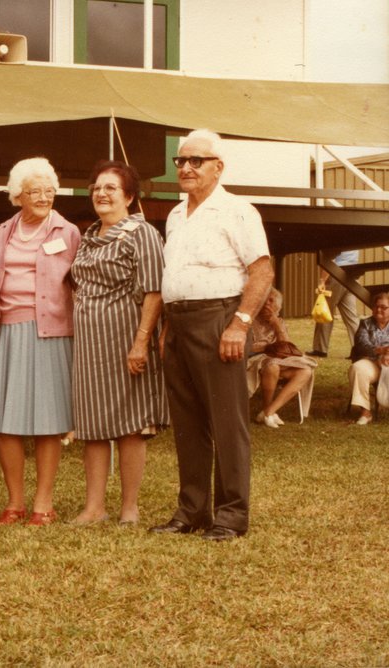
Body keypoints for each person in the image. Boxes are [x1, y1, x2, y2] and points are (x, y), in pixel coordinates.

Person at [150, 129, 272, 542]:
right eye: (180, 162)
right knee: (188, 424)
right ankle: (192, 511)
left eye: (195, 161)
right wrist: (169, 324)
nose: (185, 168)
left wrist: (238, 324)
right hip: (179, 325)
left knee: (227, 423)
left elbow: (262, 271)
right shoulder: (175, 214)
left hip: (219, 320)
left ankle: (231, 516)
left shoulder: (238, 210)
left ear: (218, 167)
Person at [70, 160, 168, 526]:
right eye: (97, 187)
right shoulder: (89, 235)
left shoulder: (141, 234)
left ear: (128, 196)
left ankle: (130, 507)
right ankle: (94, 507)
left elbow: (154, 291)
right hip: (89, 345)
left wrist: (141, 342)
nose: (101, 193)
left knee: (130, 424)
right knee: (93, 425)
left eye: (111, 187)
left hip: (127, 338)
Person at [0, 157, 78, 527]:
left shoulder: (67, 231)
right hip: (9, 329)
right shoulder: (3, 231)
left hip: (50, 332)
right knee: (6, 421)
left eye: (49, 190)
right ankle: (14, 503)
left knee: (48, 419)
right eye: (34, 190)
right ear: (18, 196)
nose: (43, 196)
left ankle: (43, 504)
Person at [246, 287, 316, 428]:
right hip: (254, 361)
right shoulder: (250, 320)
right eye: (264, 300)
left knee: (306, 371)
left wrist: (276, 324)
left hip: (276, 361)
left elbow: (286, 347)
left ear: (278, 306)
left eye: (271, 300)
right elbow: (246, 349)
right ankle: (268, 411)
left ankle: (269, 411)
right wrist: (267, 347)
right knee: (272, 366)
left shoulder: (280, 322)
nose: (267, 303)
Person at [347, 291, 389, 426]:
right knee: (358, 369)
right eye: (376, 306)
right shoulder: (365, 323)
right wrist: (380, 352)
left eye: (384, 307)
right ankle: (365, 413)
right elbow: (361, 345)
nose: (379, 310)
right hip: (371, 362)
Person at [309, 250, 360, 358]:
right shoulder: (355, 234)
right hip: (352, 274)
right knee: (351, 317)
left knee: (325, 310)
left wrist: (322, 280)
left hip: (336, 274)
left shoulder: (337, 235)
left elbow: (330, 259)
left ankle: (320, 349)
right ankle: (360, 349)